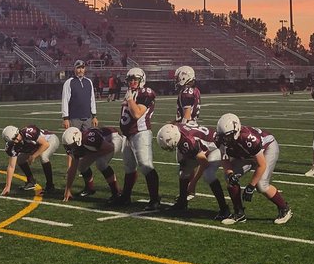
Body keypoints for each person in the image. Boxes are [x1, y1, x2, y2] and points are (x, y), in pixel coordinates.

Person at [214, 113, 292, 225]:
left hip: (266, 149)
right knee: (229, 178)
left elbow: (261, 164)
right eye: (223, 136)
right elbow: (225, 159)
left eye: (227, 136)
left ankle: (285, 209)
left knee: (261, 185)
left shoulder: (249, 138)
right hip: (246, 154)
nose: (224, 139)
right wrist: (230, 173)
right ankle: (239, 213)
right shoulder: (220, 139)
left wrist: (251, 186)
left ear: (236, 131)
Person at [157, 121, 231, 216]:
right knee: (183, 170)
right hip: (201, 147)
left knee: (208, 174)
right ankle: (182, 202)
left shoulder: (188, 141)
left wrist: (193, 183)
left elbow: (204, 163)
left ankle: (224, 208)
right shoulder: (177, 130)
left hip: (216, 147)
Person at [115, 67, 161, 210]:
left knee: (146, 165)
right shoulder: (131, 93)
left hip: (140, 133)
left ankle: (154, 199)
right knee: (129, 167)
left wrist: (129, 100)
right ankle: (126, 197)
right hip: (128, 135)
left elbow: (137, 113)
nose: (133, 82)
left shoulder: (146, 93)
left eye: (136, 79)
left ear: (142, 80)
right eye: (130, 79)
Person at [60, 125, 123, 202]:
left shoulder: (89, 139)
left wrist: (93, 154)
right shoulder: (78, 144)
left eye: (71, 146)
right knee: (81, 166)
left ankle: (116, 192)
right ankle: (89, 188)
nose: (70, 149)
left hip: (113, 138)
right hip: (100, 145)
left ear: (77, 138)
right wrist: (67, 189)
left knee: (101, 163)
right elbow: (73, 169)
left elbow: (109, 148)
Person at [0, 125, 60, 196]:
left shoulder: (28, 132)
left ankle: (50, 186)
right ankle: (31, 181)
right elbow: (11, 166)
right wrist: (7, 186)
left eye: (16, 136)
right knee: (20, 159)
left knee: (43, 157)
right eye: (13, 139)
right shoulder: (12, 146)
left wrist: (33, 156)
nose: (17, 139)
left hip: (49, 139)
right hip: (35, 145)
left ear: (18, 131)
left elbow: (45, 144)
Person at [61, 60, 98, 131]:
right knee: (74, 141)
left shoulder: (89, 82)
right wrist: (65, 118)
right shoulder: (69, 82)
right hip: (74, 119)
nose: (81, 70)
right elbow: (65, 101)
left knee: (87, 140)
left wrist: (94, 116)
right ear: (74, 69)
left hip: (87, 118)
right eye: (78, 68)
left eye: (82, 68)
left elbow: (92, 100)